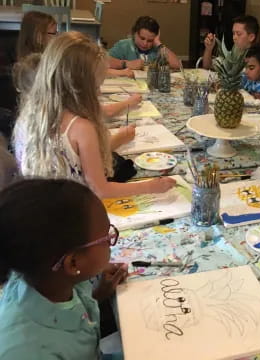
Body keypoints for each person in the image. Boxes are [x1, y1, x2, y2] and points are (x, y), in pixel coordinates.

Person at [13, 32, 176, 198]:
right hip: (70, 210)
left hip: (34, 206)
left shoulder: (29, 112)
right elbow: (100, 190)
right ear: (77, 86)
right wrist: (151, 186)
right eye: (96, 87)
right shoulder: (81, 127)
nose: (99, 93)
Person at [0, 178, 128, 359]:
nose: (111, 242)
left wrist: (96, 295)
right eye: (106, 238)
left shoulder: (48, 277)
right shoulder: (28, 352)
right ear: (73, 263)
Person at [11, 52, 140, 167]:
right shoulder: (70, 123)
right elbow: (92, 160)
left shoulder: (27, 117)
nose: (99, 93)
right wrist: (120, 138)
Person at [108, 16, 181, 70]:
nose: (145, 43)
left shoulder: (158, 49)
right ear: (135, 33)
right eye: (142, 38)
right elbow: (102, 62)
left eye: (150, 40)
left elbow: (177, 65)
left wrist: (158, 43)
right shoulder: (123, 45)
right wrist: (126, 64)